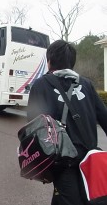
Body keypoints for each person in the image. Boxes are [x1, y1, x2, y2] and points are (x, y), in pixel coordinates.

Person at [27, 40, 107, 205]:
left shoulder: (41, 85)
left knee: (67, 199)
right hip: (90, 160)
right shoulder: (86, 85)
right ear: (72, 62)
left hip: (62, 160)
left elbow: (34, 125)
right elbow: (104, 117)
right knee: (90, 199)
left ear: (49, 61)